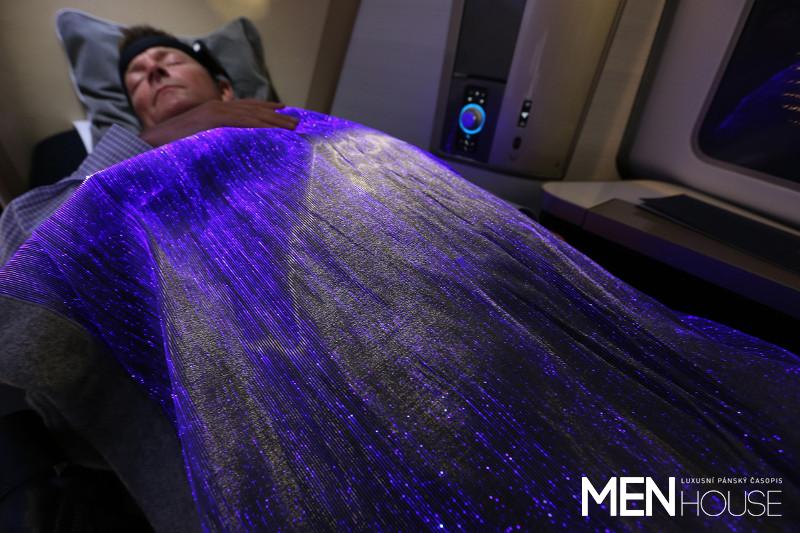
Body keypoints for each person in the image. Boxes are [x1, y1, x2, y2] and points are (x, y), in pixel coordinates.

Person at [0, 25, 298, 265]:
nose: (154, 70)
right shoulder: (84, 164)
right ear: (139, 115)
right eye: (137, 78)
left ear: (224, 90)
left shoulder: (288, 127)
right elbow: (20, 258)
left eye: (173, 61)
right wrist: (152, 140)